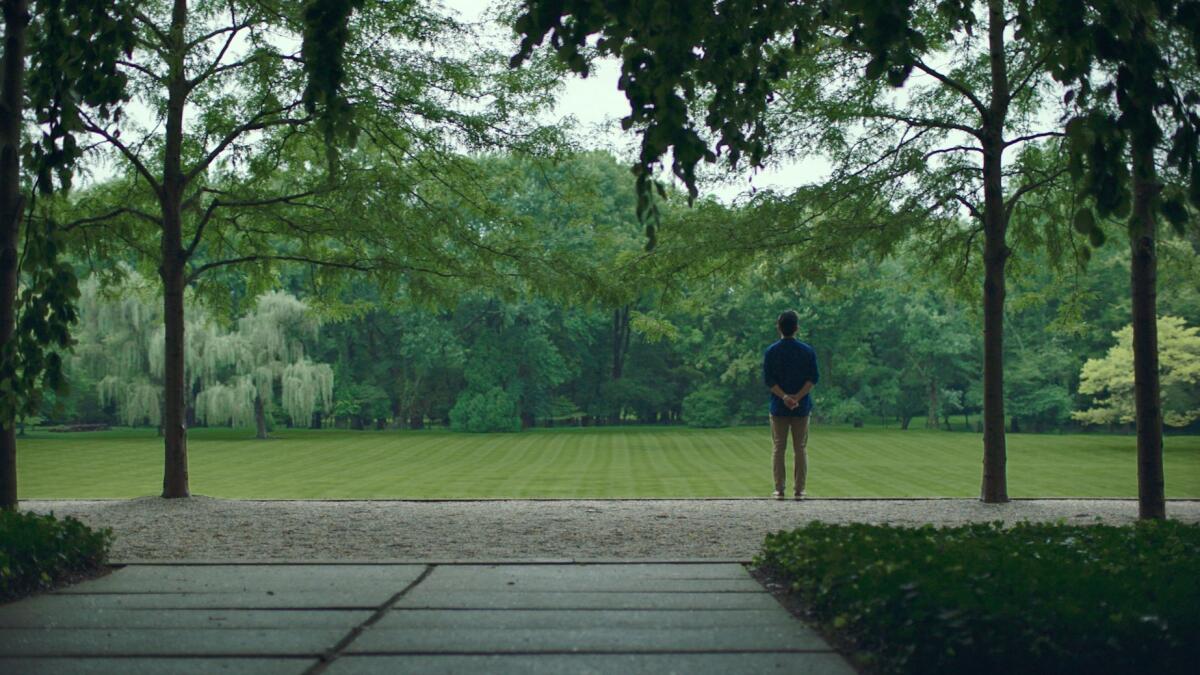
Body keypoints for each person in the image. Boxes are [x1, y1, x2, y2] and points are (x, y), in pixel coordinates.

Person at [762, 309, 819, 500]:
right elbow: (812, 379)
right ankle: (799, 490)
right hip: (801, 408)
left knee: (779, 448)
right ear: (796, 328)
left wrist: (785, 397)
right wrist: (798, 398)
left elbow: (769, 380)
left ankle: (779, 490)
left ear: (779, 327)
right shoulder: (807, 351)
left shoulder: (771, 351)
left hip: (778, 407)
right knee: (800, 448)